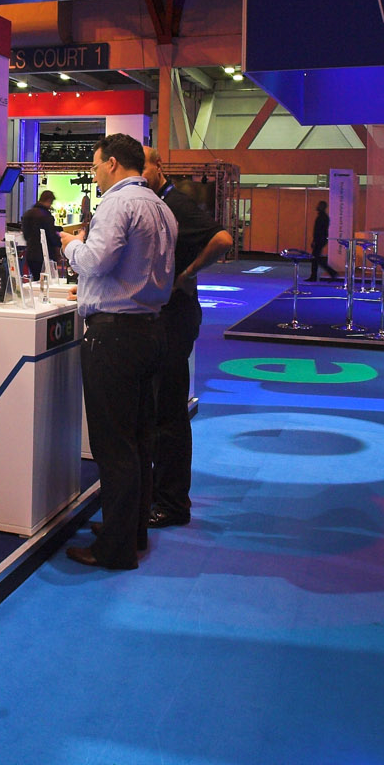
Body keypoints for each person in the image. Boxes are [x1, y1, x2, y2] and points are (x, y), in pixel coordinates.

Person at [59, 134, 175, 571]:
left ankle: (115, 548)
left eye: (94, 167)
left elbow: (96, 261)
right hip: (149, 331)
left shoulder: (117, 203)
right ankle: (131, 531)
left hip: (115, 337)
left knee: (114, 446)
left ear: (111, 164)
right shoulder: (160, 206)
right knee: (139, 441)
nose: (93, 175)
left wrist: (70, 244)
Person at [142, 147, 233, 529]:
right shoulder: (153, 204)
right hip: (163, 318)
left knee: (169, 414)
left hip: (174, 319)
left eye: (142, 166)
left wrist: (188, 272)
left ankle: (172, 503)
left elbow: (223, 239)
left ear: (158, 166)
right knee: (158, 412)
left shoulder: (176, 204)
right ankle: (160, 495)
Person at [19, 188, 64, 280]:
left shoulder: (27, 214)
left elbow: (25, 235)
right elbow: (52, 237)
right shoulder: (46, 216)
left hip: (31, 254)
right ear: (49, 200)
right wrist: (60, 245)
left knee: (36, 279)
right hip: (45, 256)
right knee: (46, 281)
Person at [308, 200, 339, 281]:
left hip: (319, 240)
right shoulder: (324, 216)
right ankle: (315, 276)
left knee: (316, 258)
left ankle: (331, 272)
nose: (317, 206)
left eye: (319, 205)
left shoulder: (322, 217)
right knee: (316, 258)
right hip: (321, 239)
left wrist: (315, 240)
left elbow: (319, 231)